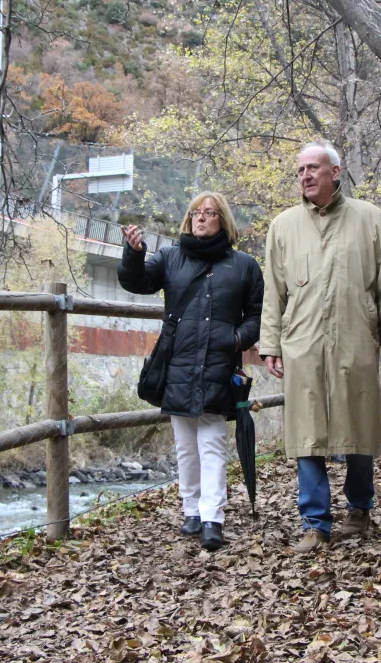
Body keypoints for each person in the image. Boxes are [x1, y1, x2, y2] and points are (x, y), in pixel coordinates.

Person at [259, 141, 381, 554]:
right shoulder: (283, 226)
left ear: (335, 172)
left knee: (357, 425)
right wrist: (270, 343)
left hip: (355, 336)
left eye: (313, 168)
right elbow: (274, 292)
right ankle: (315, 522)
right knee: (307, 431)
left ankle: (360, 508)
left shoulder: (370, 218)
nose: (305, 176)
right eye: (300, 170)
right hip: (302, 342)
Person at [117, 191, 263, 552]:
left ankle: (213, 517)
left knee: (211, 442)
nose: (201, 218)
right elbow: (137, 283)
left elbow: (259, 316)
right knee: (185, 445)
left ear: (222, 220)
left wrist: (235, 338)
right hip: (178, 363)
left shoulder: (244, 266)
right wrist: (134, 254)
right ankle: (191, 510)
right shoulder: (169, 257)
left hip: (218, 363)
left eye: (210, 213)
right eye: (196, 213)